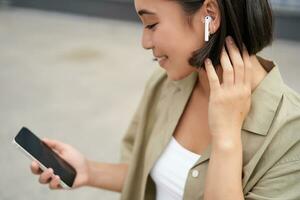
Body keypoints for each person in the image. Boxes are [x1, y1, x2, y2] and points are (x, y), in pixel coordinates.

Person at [30, 0, 300, 199]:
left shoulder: (291, 135)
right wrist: (88, 171)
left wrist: (227, 137)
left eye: (152, 24)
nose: (145, 41)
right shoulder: (166, 84)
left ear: (210, 15)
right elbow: (151, 178)